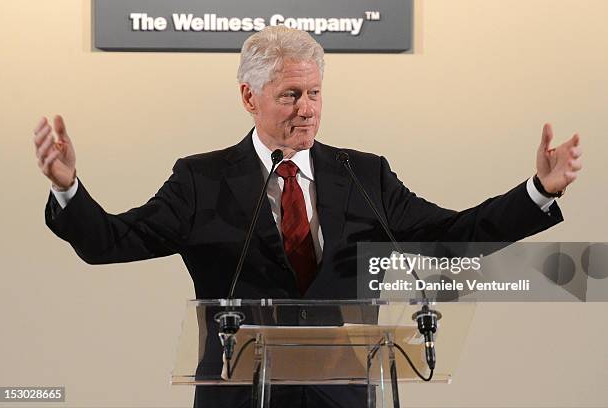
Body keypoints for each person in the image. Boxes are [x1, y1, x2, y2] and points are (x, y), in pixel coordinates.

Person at [33, 26, 582, 408]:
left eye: (315, 93)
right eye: (291, 94)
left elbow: (453, 236)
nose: (307, 108)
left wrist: (537, 192)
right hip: (240, 394)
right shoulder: (202, 181)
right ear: (250, 97)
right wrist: (68, 189)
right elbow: (110, 241)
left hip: (342, 394)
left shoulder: (365, 178)